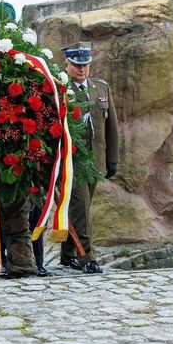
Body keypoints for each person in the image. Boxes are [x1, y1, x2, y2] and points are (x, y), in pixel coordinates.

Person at [61, 42, 119, 274]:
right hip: (72, 161)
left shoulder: (100, 88)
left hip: (95, 161)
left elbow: (111, 127)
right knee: (81, 207)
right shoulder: (61, 89)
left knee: (79, 208)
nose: (81, 69)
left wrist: (111, 159)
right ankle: (87, 258)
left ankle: (68, 255)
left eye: (85, 64)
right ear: (67, 65)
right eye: (76, 65)